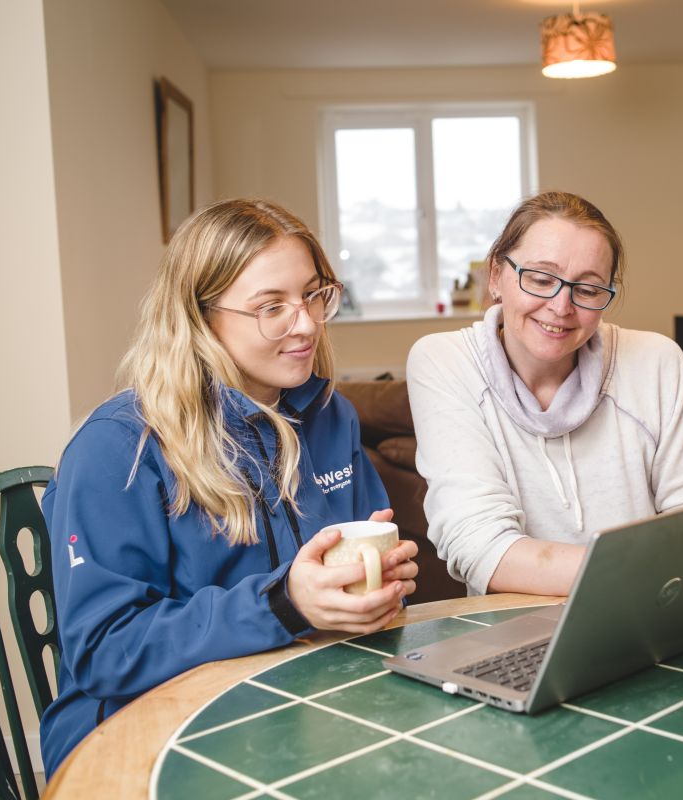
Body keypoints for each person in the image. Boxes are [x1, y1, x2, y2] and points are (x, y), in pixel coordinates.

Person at [40, 199, 418, 776]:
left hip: (296, 691)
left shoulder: (329, 415)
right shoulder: (117, 448)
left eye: (315, 294)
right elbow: (104, 650)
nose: (309, 323)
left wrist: (377, 585)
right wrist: (285, 604)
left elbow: (357, 559)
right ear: (199, 316)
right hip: (137, 726)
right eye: (272, 307)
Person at [407, 191, 683, 610]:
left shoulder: (658, 362)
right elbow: (481, 548)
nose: (560, 306)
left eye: (588, 289)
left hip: (657, 620)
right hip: (511, 633)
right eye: (539, 278)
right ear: (496, 275)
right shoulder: (443, 361)